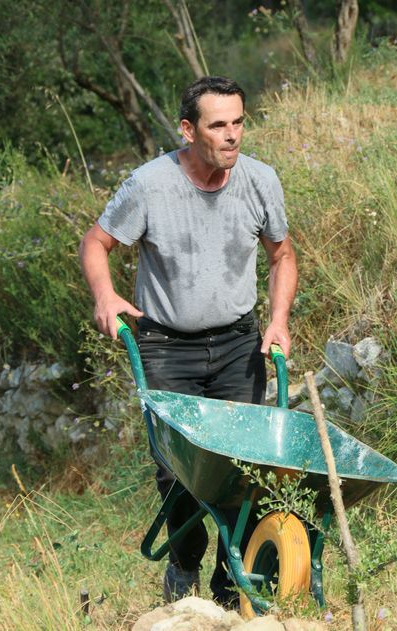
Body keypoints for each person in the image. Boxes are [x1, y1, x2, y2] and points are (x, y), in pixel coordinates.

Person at [79, 75, 297, 607]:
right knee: (178, 471)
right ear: (187, 129)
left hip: (238, 345)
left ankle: (230, 586)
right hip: (165, 346)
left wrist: (279, 320)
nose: (232, 136)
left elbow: (282, 256)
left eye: (238, 123)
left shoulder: (260, 181)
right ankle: (183, 561)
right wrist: (106, 298)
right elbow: (96, 242)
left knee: (242, 467)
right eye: (218, 124)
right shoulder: (151, 184)